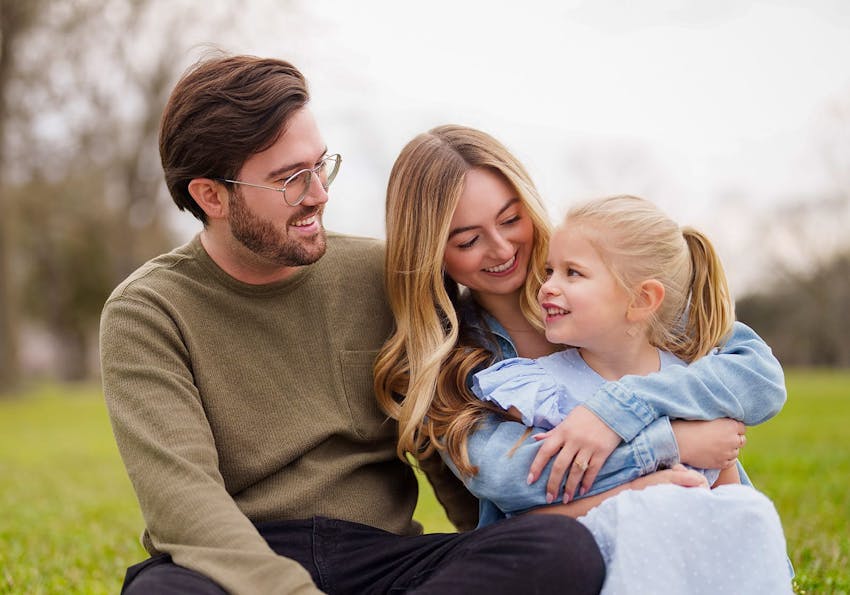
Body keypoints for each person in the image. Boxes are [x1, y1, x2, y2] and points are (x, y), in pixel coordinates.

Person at [100, 55, 607, 594]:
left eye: (320, 166)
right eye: (290, 180)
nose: (319, 193)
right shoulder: (147, 313)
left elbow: (446, 447)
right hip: (235, 565)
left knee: (559, 550)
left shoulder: (385, 276)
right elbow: (183, 502)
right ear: (210, 195)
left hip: (382, 560)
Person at [375, 125, 791, 592]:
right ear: (432, 254)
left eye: (511, 220)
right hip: (561, 559)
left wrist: (617, 409)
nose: (501, 248)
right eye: (468, 241)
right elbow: (510, 477)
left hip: (700, 546)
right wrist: (665, 441)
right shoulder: (454, 365)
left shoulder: (617, 293)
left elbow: (757, 376)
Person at [469, 194, 792, 591]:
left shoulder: (688, 384)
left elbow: (727, 495)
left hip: (684, 569)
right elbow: (520, 517)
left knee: (750, 509)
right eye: (550, 270)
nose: (547, 286)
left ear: (641, 300)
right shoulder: (539, 389)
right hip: (582, 566)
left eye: (573, 273)